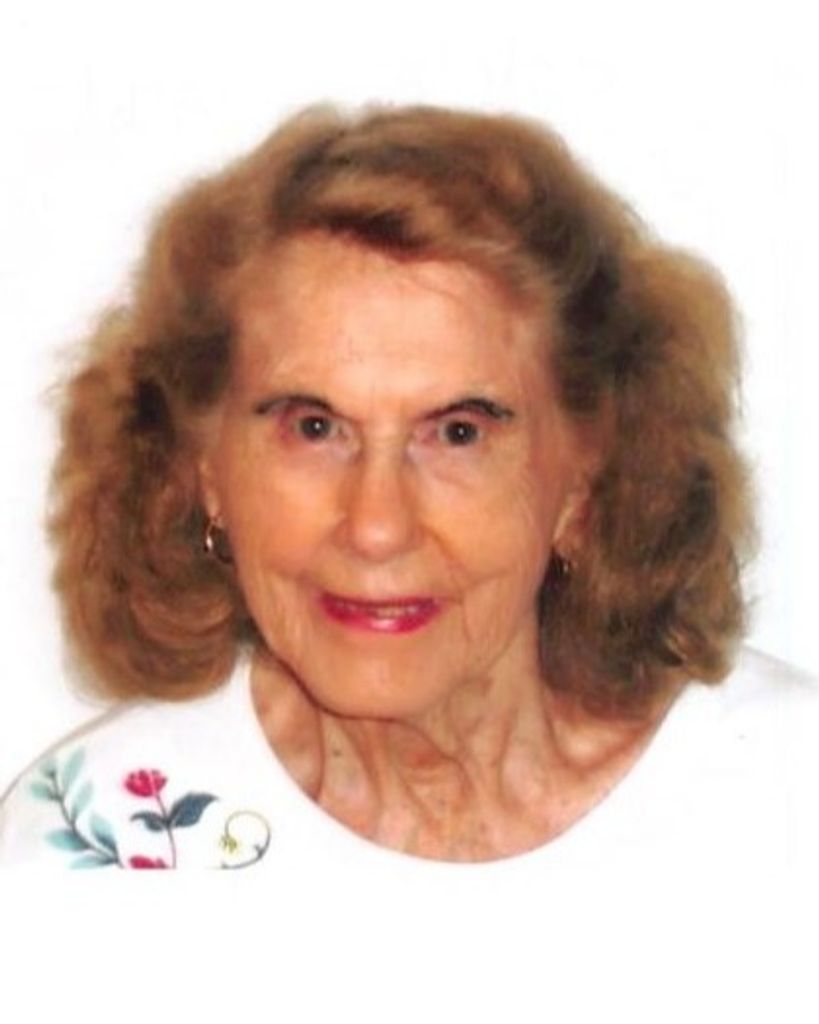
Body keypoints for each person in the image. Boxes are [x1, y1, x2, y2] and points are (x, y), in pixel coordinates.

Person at [0, 102, 816, 870]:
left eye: (457, 433)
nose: (376, 527)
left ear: (584, 482)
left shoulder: (784, 791)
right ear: (204, 470)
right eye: (313, 428)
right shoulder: (90, 834)